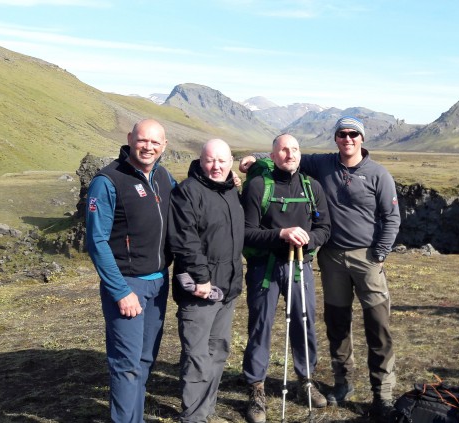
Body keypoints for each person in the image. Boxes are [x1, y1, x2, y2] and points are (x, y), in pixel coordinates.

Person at [240, 117, 401, 423]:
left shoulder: (370, 175)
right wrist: (253, 161)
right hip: (302, 263)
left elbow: (383, 219)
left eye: (354, 134)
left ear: (362, 138)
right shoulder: (301, 172)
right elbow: (247, 228)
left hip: (351, 259)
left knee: (369, 326)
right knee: (322, 324)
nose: (348, 138)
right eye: (342, 134)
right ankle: (274, 388)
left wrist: (378, 254)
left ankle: (373, 392)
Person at [86, 119, 176, 423]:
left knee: (145, 360)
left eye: (155, 142)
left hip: (158, 283)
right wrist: (121, 291)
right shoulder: (108, 180)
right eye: (142, 140)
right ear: (129, 139)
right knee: (126, 364)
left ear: (164, 146)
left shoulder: (163, 176)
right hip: (127, 285)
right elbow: (97, 241)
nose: (148, 147)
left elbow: (188, 204)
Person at [241, 134, 331, 423]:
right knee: (260, 324)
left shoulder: (311, 186)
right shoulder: (258, 186)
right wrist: (280, 234)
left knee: (305, 321)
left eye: (294, 149)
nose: (289, 154)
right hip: (263, 268)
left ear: (300, 154)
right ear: (273, 155)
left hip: (299, 265)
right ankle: (257, 388)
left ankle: (305, 380)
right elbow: (246, 231)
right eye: (283, 149)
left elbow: (324, 227)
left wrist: (308, 240)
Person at [168, 139, 244, 423]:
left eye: (222, 161)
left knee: (218, 350)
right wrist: (201, 279)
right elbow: (184, 240)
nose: (216, 166)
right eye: (210, 160)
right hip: (200, 290)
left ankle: (206, 410)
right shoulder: (188, 192)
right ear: (200, 161)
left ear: (231, 161)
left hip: (228, 287)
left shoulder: (230, 190)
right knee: (197, 355)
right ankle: (194, 417)